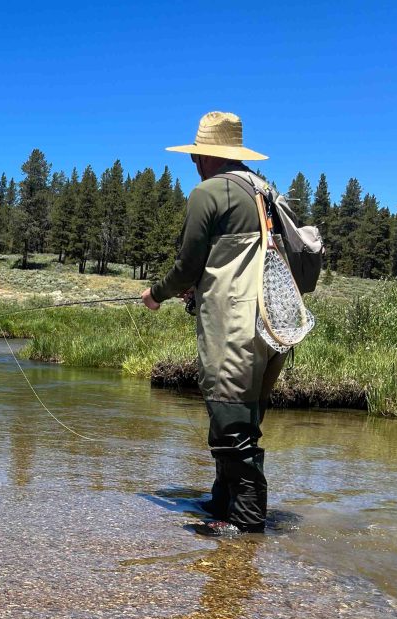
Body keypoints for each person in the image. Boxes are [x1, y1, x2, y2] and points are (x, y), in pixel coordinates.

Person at [140, 111, 286, 537]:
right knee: (242, 414)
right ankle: (222, 501)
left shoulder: (209, 192)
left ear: (206, 155)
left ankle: (245, 523)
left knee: (230, 419)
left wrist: (157, 294)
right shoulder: (262, 189)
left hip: (236, 322)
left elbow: (187, 266)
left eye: (195, 156)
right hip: (272, 324)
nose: (193, 163)